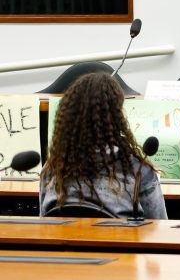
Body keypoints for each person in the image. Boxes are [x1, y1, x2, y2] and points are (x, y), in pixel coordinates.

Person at [39, 72, 167, 219]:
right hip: (118, 242)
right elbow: (159, 226)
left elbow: (44, 224)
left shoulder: (53, 168)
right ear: (116, 117)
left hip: (61, 242)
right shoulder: (138, 170)